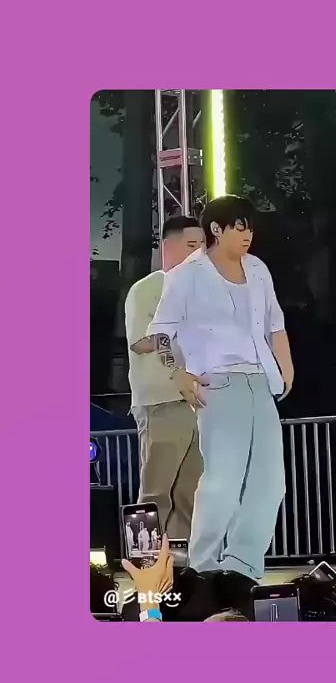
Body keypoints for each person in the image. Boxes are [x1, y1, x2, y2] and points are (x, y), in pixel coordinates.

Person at [147, 195, 294, 581]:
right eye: (239, 227)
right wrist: (178, 374)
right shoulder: (187, 275)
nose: (248, 235)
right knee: (222, 481)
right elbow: (161, 333)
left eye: (250, 227)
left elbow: (274, 323)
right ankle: (205, 568)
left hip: (260, 379)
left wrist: (286, 367)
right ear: (217, 229)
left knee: (270, 483)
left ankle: (242, 567)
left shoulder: (257, 269)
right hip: (219, 382)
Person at [125, 216, 204, 539]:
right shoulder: (147, 289)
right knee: (156, 491)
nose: (200, 252)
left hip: (198, 401)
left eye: (203, 245)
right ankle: (145, 560)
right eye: (192, 245)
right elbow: (141, 341)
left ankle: (184, 560)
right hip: (162, 401)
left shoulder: (203, 291)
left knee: (191, 493)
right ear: (168, 247)